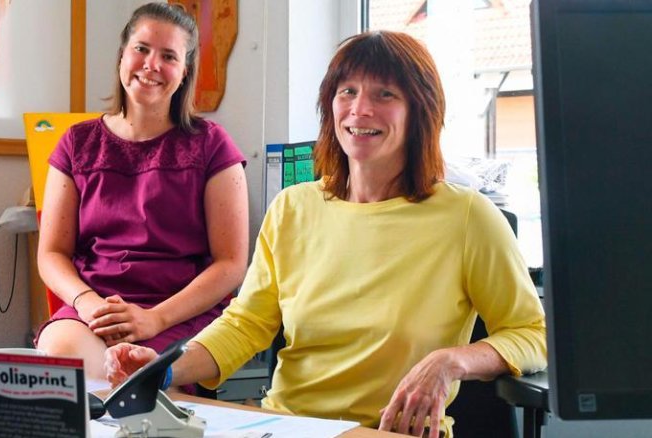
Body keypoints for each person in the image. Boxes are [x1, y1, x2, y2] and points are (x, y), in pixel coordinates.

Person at [105, 30, 546, 438]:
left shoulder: (467, 216)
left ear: (420, 110)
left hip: (389, 431)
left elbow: (533, 334)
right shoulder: (292, 209)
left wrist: (452, 361)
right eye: (347, 92)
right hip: (288, 425)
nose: (360, 109)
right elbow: (247, 324)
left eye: (384, 94)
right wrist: (163, 371)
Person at [35, 2, 248, 381]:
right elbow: (52, 253)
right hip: (94, 307)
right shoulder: (75, 143)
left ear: (184, 72)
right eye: (142, 49)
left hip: (177, 311)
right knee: (62, 361)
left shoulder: (212, 145)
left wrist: (153, 319)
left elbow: (230, 264)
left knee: (136, 380)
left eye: (169, 56)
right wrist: (88, 305)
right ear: (122, 56)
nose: (151, 64)